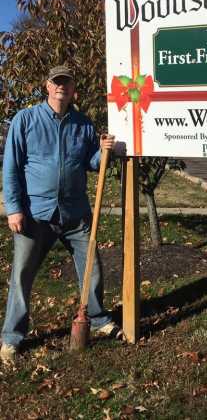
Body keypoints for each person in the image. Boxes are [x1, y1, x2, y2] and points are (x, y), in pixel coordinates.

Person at [1, 65, 121, 364]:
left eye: (66, 82)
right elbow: (11, 168)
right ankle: (12, 337)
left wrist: (104, 150)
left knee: (92, 267)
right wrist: (14, 208)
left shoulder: (83, 124)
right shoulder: (25, 119)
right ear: (47, 86)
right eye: (56, 82)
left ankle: (96, 317)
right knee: (22, 276)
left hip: (75, 213)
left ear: (72, 88)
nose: (61, 87)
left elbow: (91, 162)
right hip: (35, 214)